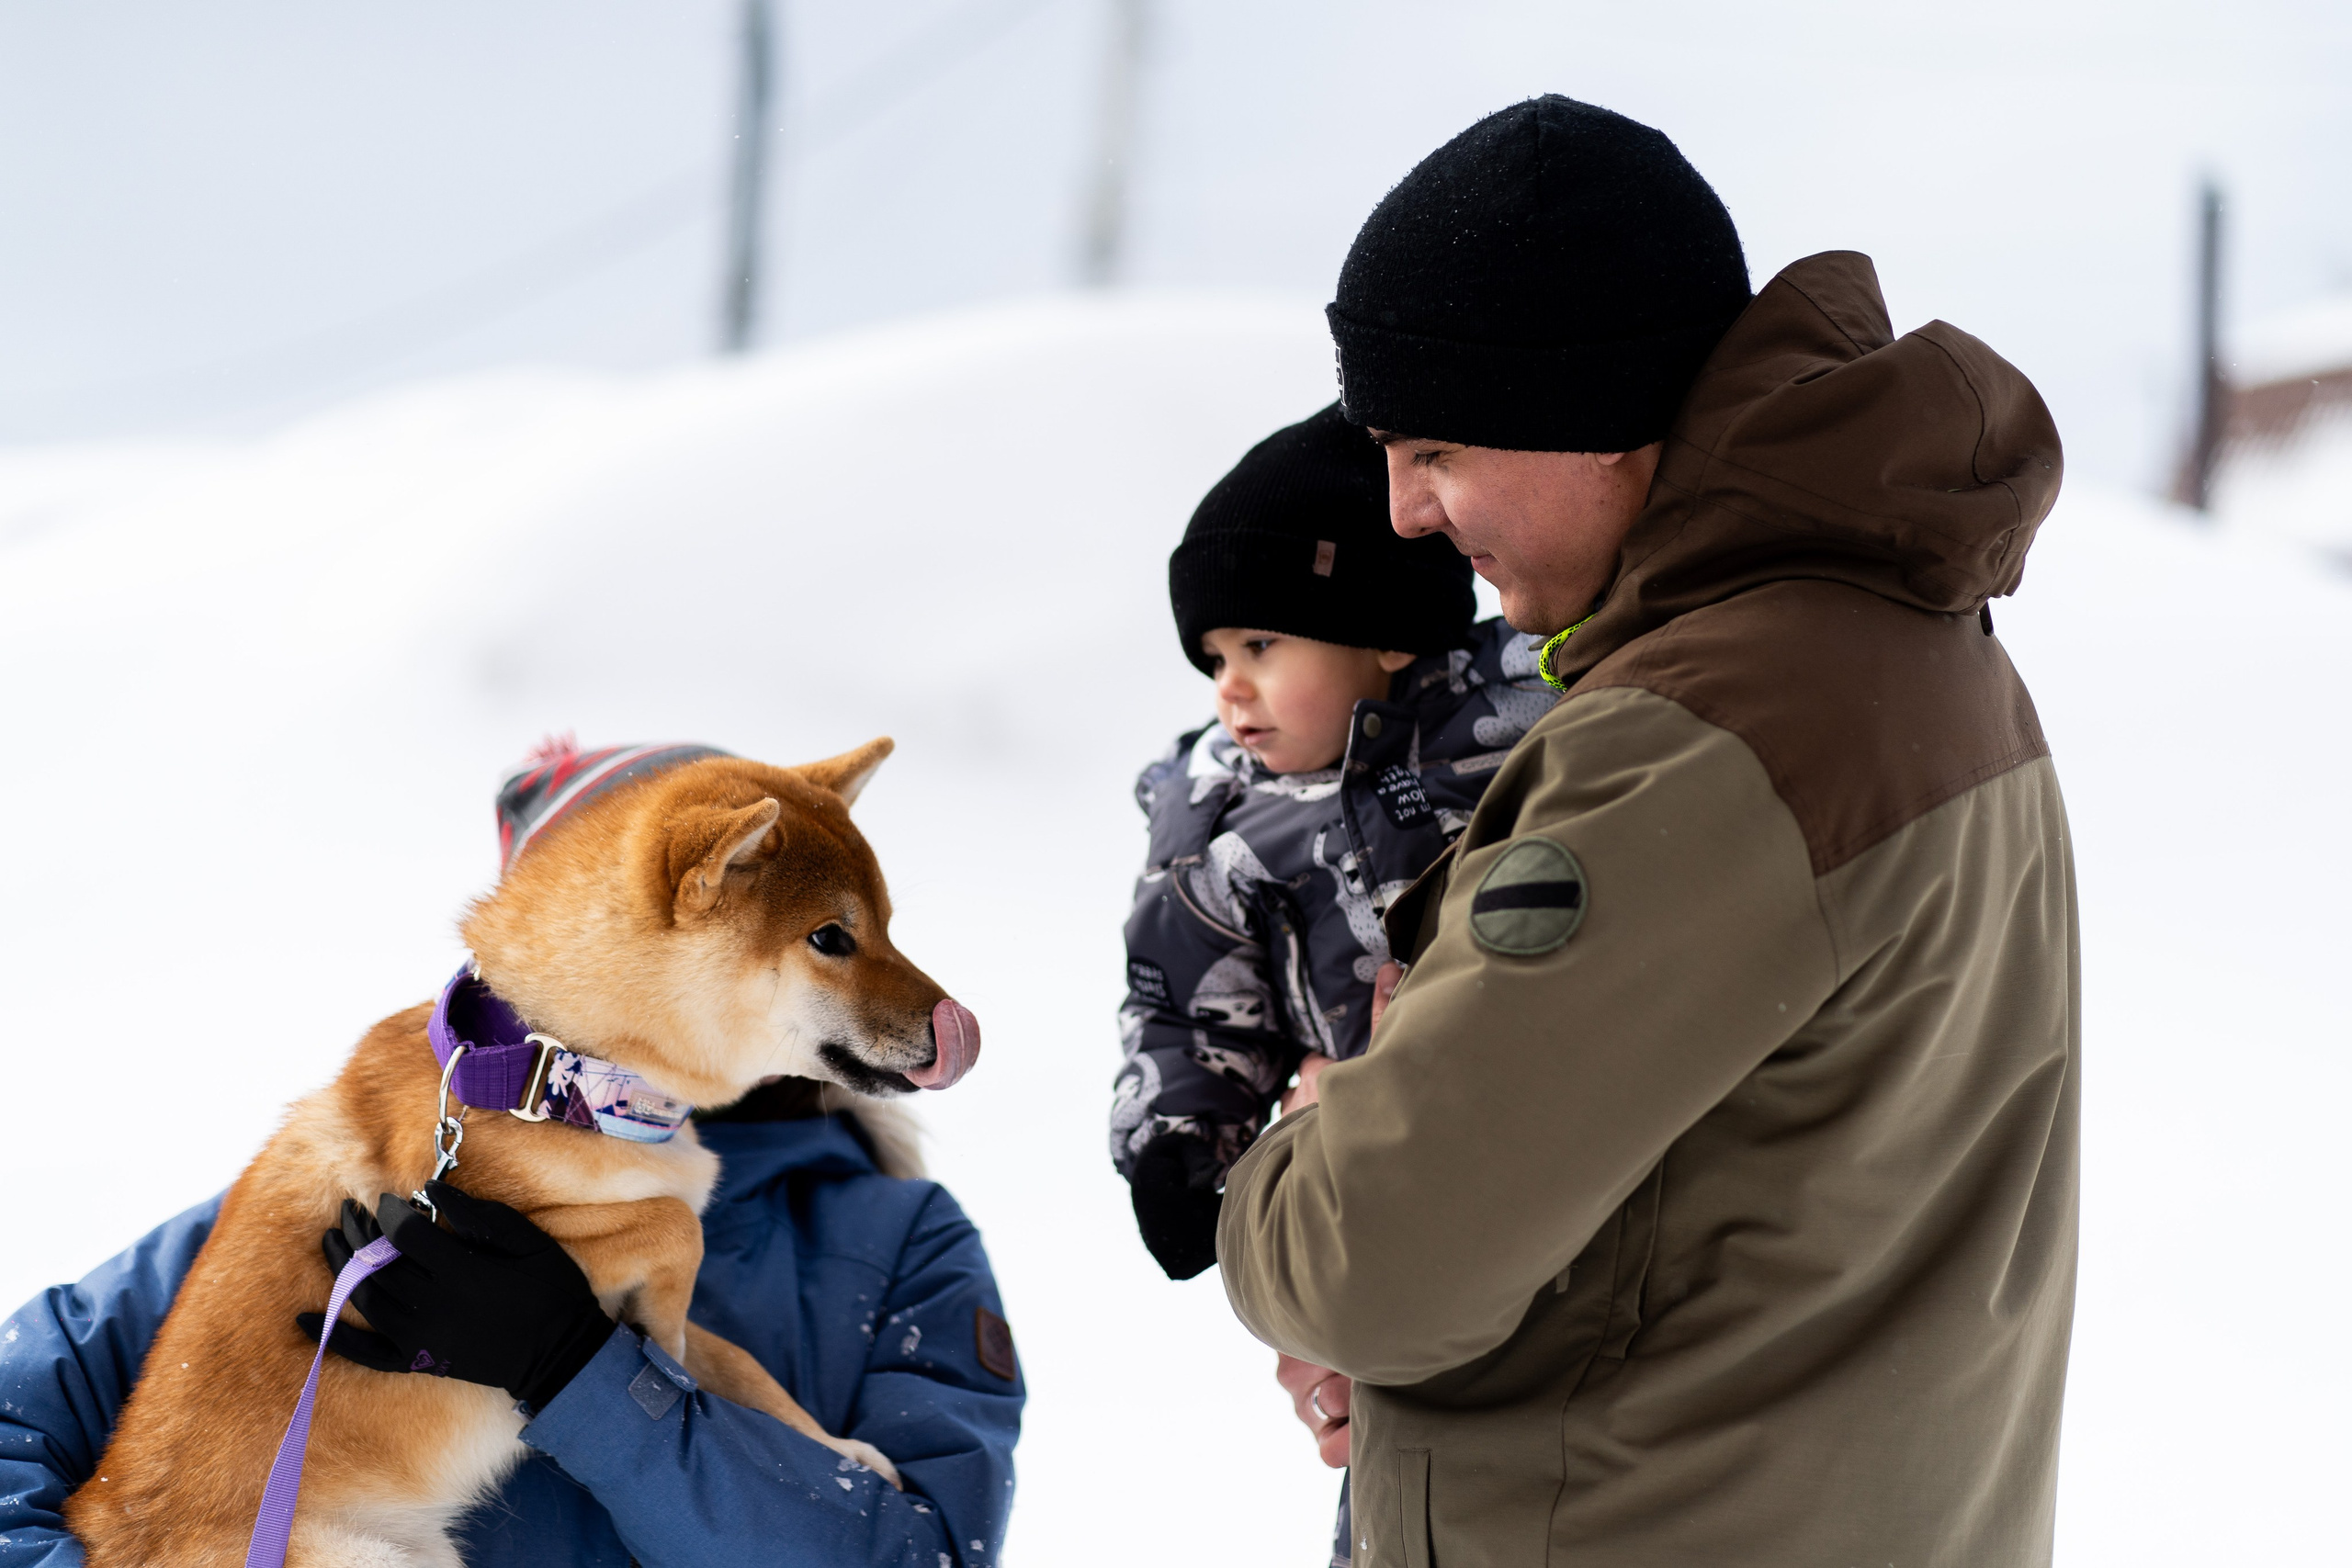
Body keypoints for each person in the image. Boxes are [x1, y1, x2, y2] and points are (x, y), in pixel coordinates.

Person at [1218, 96, 2076, 1568]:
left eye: (1432, 446)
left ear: (1591, 413)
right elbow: (1760, 1207)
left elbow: (1376, 1259)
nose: (1404, 512)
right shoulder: (1920, 653)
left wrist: (1305, 1146)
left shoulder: (1695, 738)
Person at [1109, 403, 1556, 1562]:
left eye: (1263, 647)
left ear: (1386, 636)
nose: (1229, 691)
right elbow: (1185, 997)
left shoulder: (1513, 746)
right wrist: (1178, 1140)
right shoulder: (1218, 819)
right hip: (1355, 1184)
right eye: (1214, 659)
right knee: (1385, 1439)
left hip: (1513, 1156)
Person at [1, 1068, 1020, 1564]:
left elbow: (917, 1557)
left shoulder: (891, 1235)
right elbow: (20, 1409)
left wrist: (587, 1376)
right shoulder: (383, 1180)